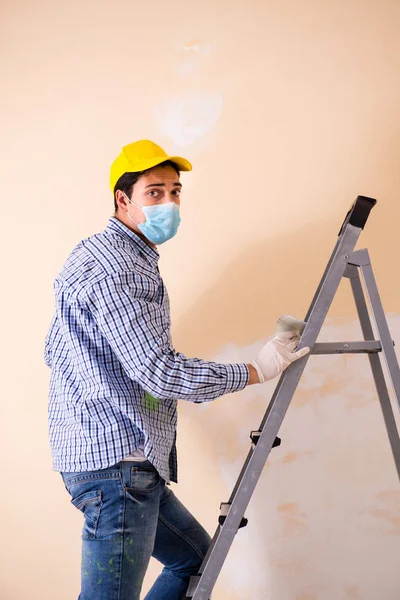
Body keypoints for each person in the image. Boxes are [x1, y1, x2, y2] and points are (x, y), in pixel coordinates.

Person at [44, 139, 310, 600]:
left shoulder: (106, 254)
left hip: (119, 460)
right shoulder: (117, 269)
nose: (169, 202)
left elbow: (60, 351)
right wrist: (258, 369)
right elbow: (159, 372)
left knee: (194, 560)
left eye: (175, 191)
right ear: (122, 199)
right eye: (154, 193)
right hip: (118, 468)